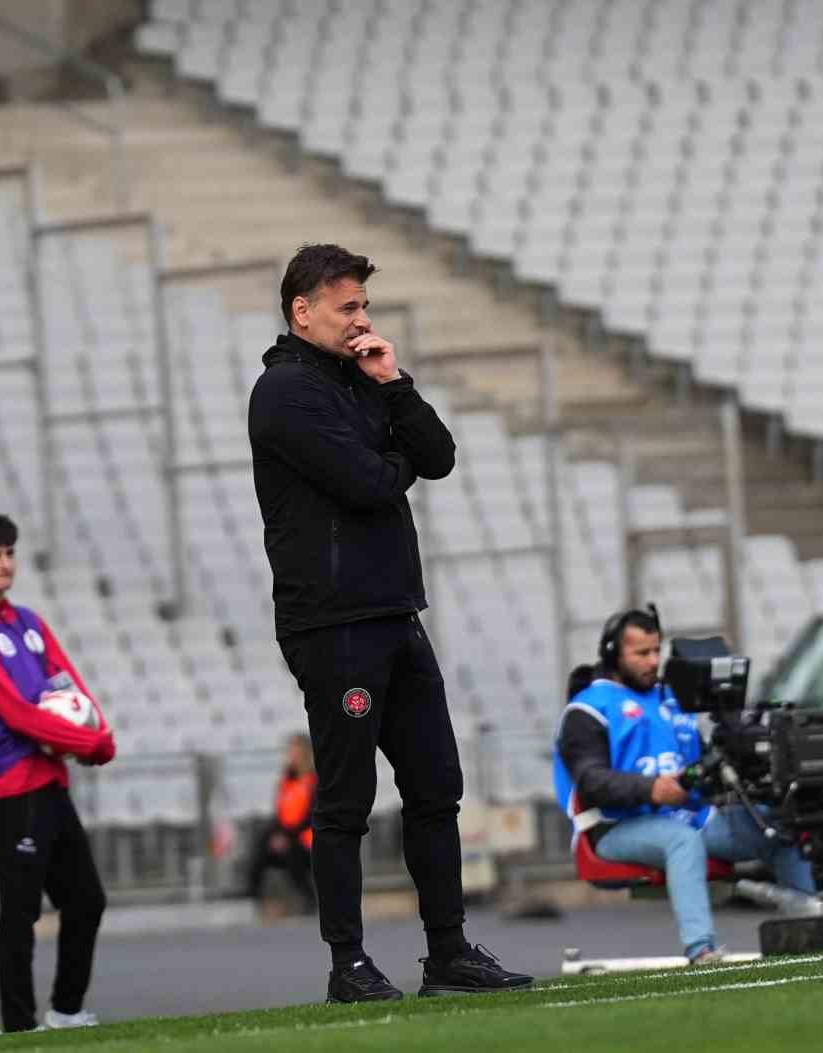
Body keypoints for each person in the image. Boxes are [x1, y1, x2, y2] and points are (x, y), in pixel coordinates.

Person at [247, 243, 532, 1002]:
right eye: (347, 307)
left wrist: (394, 384)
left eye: (364, 306)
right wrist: (392, 458)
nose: (361, 320)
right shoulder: (284, 393)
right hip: (332, 622)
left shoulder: (362, 379)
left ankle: (449, 952)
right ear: (302, 310)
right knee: (345, 799)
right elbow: (371, 483)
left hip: (395, 611)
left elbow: (437, 455)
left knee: (437, 785)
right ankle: (348, 963)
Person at [553, 607, 816, 965]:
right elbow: (591, 780)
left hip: (690, 818)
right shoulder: (587, 709)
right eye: (641, 653)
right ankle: (701, 948)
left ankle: (814, 925)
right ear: (614, 654)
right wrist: (651, 789)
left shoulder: (671, 701)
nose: (653, 661)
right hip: (615, 828)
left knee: (775, 826)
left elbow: (704, 765)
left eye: (655, 651)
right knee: (681, 840)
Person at [0, 511, 117, 1034]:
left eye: (9, 553)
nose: (4, 564)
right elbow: (18, 715)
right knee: (21, 909)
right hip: (7, 784)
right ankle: (19, 1027)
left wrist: (99, 734)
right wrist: (88, 744)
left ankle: (66, 1011)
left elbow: (70, 686)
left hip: (48, 778)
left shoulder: (30, 623)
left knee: (86, 899)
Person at [244, 731, 317, 911]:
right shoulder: (287, 780)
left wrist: (287, 836)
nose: (291, 756)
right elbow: (280, 812)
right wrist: (278, 834)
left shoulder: (314, 780)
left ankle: (309, 899)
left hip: (308, 840)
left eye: (295, 751)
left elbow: (312, 816)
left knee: (293, 853)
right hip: (287, 836)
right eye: (290, 752)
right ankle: (251, 895)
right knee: (262, 843)